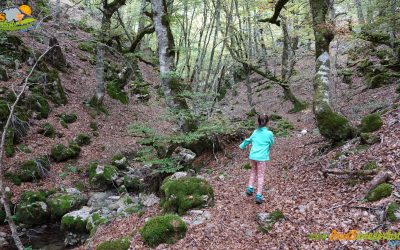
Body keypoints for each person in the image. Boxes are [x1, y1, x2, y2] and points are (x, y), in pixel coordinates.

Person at [239, 113, 274, 204]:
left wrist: (242, 146)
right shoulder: (269, 133)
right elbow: (271, 143)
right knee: (261, 175)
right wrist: (268, 148)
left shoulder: (255, 132)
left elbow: (249, 140)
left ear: (258, 122)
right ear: (267, 122)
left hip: (253, 156)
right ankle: (258, 195)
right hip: (261, 158)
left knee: (253, 171)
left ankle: (250, 188)